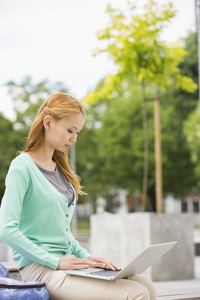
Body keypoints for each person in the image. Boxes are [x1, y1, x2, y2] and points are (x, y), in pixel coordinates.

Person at [0, 92, 157, 300]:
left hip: (68, 264)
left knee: (147, 286)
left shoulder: (62, 171)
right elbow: (6, 229)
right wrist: (55, 262)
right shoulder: (22, 167)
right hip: (40, 269)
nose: (74, 138)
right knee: (135, 293)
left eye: (78, 132)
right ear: (48, 122)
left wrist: (89, 258)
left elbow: (63, 235)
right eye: (70, 130)